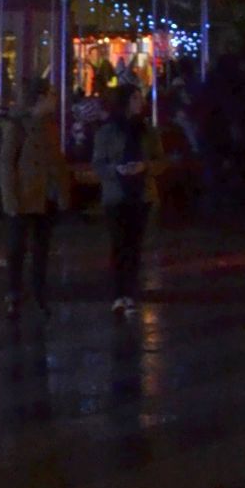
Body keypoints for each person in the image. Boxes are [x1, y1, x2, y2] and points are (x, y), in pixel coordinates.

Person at [0, 74, 70, 319]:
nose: (55, 100)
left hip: (45, 196)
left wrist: (62, 191)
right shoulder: (17, 126)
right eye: (51, 96)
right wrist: (10, 199)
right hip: (24, 196)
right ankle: (14, 293)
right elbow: (6, 164)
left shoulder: (48, 126)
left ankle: (38, 293)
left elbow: (56, 162)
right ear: (40, 98)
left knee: (41, 248)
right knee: (17, 247)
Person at [91, 80, 150, 316]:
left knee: (134, 245)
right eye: (135, 98)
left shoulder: (146, 130)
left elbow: (158, 159)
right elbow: (98, 163)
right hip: (116, 194)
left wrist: (144, 166)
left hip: (140, 193)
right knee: (119, 244)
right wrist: (116, 170)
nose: (140, 102)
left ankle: (130, 294)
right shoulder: (107, 132)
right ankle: (118, 294)